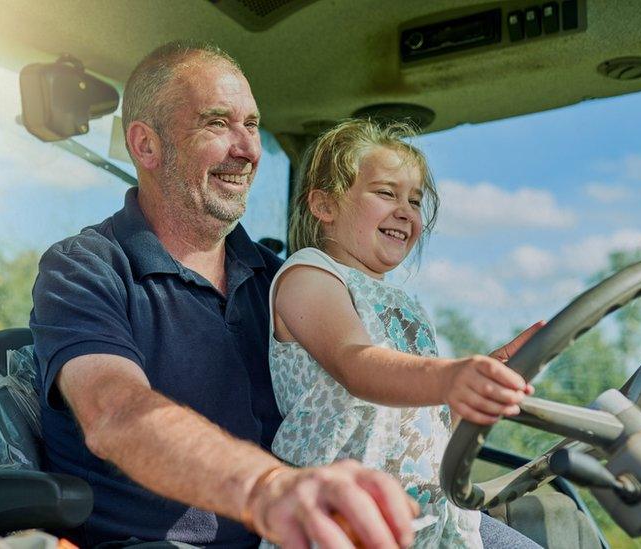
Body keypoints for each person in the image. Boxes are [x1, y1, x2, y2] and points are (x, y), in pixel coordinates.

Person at [30, 41, 421, 549]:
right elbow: (115, 412)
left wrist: (456, 389)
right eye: (218, 123)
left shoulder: (282, 284)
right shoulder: (85, 268)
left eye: (253, 125)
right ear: (146, 146)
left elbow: (358, 393)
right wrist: (268, 487)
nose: (249, 149)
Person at [266, 119, 544, 548]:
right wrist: (450, 376)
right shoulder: (309, 274)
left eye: (414, 200)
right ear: (324, 205)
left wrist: (473, 389)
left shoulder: (405, 305)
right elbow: (356, 361)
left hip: (430, 520)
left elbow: (420, 422)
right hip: (343, 521)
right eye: (385, 193)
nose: (405, 211)